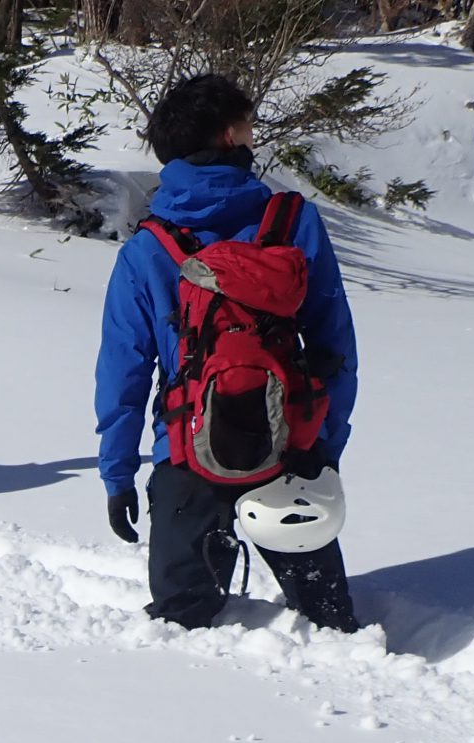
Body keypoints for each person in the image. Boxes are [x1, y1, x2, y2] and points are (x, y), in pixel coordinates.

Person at [95, 74, 360, 632]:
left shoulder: (148, 246)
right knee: (330, 625)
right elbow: (334, 341)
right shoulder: (292, 221)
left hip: (185, 451)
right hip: (290, 445)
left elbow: (124, 371)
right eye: (248, 124)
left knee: (181, 625)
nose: (254, 134)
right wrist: (326, 443)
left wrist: (118, 475)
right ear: (226, 135)